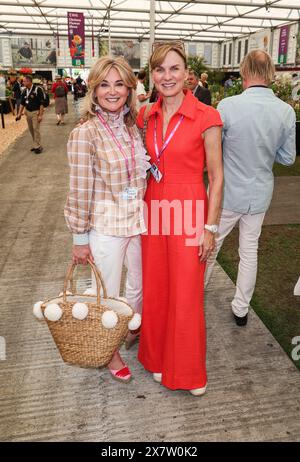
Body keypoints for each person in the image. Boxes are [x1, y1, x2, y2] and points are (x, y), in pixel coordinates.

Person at [136, 41, 223, 396]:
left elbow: (216, 177)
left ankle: (188, 372)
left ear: (187, 74)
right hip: (153, 209)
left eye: (174, 69)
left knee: (186, 294)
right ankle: (157, 359)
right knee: (156, 289)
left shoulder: (207, 116)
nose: (167, 76)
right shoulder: (146, 115)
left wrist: (210, 228)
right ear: (152, 75)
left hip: (189, 211)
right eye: (160, 69)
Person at [64, 56, 150, 383]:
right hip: (106, 229)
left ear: (130, 88)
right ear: (94, 89)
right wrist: (80, 239)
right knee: (108, 295)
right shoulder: (84, 133)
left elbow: (135, 179)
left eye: (119, 84)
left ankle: (128, 327)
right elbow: (79, 190)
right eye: (104, 84)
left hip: (137, 223)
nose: (112, 92)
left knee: (138, 287)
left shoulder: (130, 127)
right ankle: (110, 351)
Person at [205, 50, 296, 326]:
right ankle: (241, 308)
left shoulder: (227, 107)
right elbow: (288, 157)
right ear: (270, 73)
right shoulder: (286, 111)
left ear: (244, 71)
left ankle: (195, 293)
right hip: (259, 192)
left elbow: (214, 150)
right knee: (249, 250)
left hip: (227, 193)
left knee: (210, 246)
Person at [16, 74, 44, 154]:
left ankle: (38, 146)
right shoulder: (25, 91)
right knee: (31, 129)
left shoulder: (37, 89)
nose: (23, 82)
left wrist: (40, 115)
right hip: (28, 112)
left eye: (24, 81)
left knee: (36, 129)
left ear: (29, 81)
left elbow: (42, 103)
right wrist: (19, 114)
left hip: (36, 112)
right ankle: (35, 144)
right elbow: (22, 103)